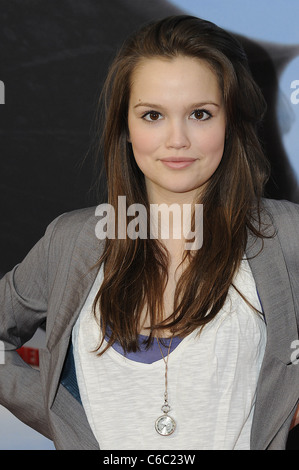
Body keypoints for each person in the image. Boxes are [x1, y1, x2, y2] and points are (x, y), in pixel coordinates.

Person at [0, 15, 298, 450]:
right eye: (153, 115)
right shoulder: (74, 241)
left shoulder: (284, 235)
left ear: (231, 120)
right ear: (125, 125)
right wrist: (54, 407)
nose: (176, 140)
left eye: (200, 114)